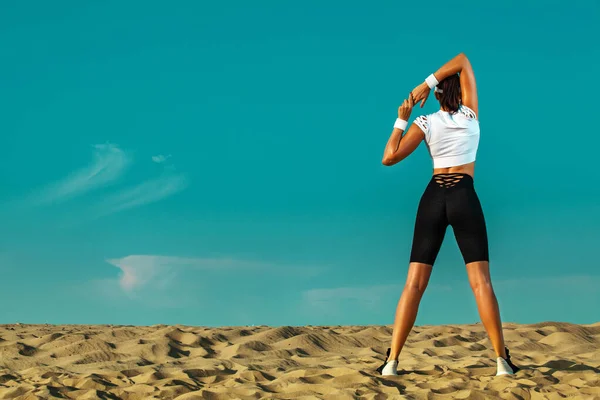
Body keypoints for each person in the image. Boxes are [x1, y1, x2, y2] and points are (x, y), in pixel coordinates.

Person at [377, 53, 520, 377]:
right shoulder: (471, 116)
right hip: (463, 196)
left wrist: (404, 115)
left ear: (438, 96)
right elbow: (463, 61)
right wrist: (426, 83)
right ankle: (501, 362)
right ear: (463, 93)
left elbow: (389, 158)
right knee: (481, 282)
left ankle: (391, 362)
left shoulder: (425, 122)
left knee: (414, 284)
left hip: (433, 197)